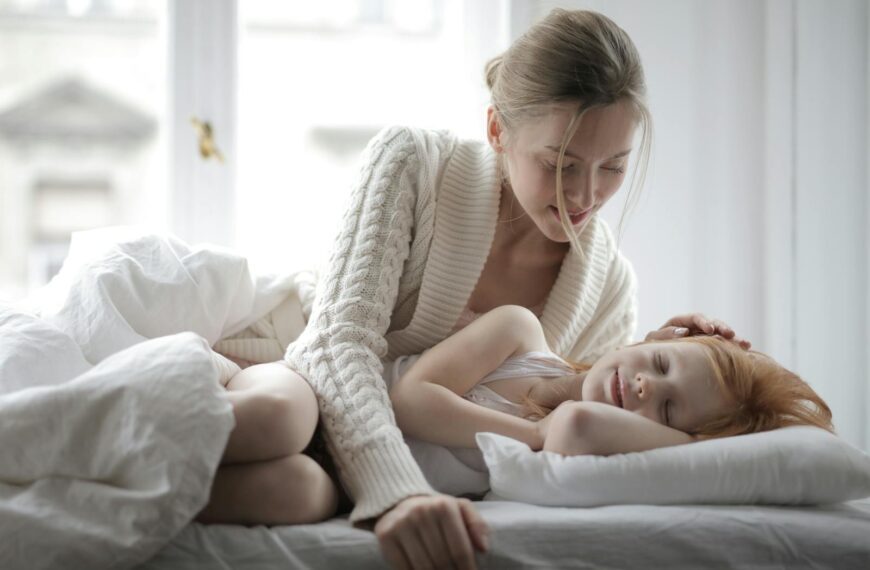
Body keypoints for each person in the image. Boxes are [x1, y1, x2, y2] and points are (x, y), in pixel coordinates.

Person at [202, 8, 754, 570]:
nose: (584, 197)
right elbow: (335, 344)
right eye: (560, 164)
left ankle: (111, 507)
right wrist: (399, 492)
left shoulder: (610, 284)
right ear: (497, 130)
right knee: (275, 422)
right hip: (294, 372)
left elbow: (576, 406)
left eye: (613, 167)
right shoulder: (415, 165)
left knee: (290, 492)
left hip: (336, 467)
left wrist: (674, 363)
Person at [387, 305, 833, 478]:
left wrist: (699, 440)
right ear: (646, 342)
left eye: (669, 409)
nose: (645, 386)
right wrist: (533, 434)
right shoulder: (518, 332)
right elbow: (409, 402)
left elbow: (576, 428)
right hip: (340, 407)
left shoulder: (582, 444)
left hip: (338, 478)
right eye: (659, 364)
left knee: (310, 492)